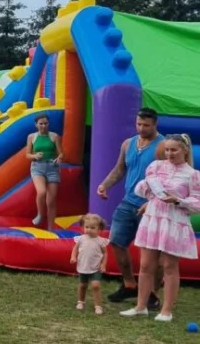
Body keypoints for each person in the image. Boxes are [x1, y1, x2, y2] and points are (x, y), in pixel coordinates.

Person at [121, 134, 200, 321]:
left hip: (174, 222)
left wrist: (178, 201)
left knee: (170, 266)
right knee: (146, 265)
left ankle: (166, 311)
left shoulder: (192, 175)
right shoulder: (156, 167)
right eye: (167, 150)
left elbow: (197, 202)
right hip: (153, 219)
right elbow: (141, 189)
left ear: (185, 150)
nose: (170, 153)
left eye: (174, 150)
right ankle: (141, 306)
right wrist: (148, 186)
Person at [97, 107, 165, 307]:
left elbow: (168, 178)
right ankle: (129, 284)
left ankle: (152, 291)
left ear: (155, 124)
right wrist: (105, 184)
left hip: (152, 204)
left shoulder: (162, 146)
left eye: (146, 125)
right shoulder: (128, 143)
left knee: (153, 251)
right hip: (128, 201)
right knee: (117, 241)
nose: (141, 128)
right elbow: (120, 169)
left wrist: (153, 202)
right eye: (139, 124)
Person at [26, 113, 64, 230]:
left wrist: (60, 158)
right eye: (41, 124)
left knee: (51, 201)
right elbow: (27, 154)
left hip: (52, 167)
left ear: (49, 124)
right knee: (41, 192)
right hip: (38, 167)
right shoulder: (32, 137)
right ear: (36, 125)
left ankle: (51, 228)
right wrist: (35, 155)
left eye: (46, 123)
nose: (43, 126)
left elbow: (61, 153)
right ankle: (40, 214)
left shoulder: (54, 136)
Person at [70, 214, 108, 315]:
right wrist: (73, 257)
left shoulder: (101, 241)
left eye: (92, 228)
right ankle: (81, 301)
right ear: (83, 227)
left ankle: (98, 306)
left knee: (95, 285)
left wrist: (103, 264)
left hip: (95, 267)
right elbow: (75, 248)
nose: (89, 230)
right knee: (83, 285)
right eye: (87, 227)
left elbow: (105, 253)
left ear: (99, 229)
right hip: (83, 266)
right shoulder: (81, 238)